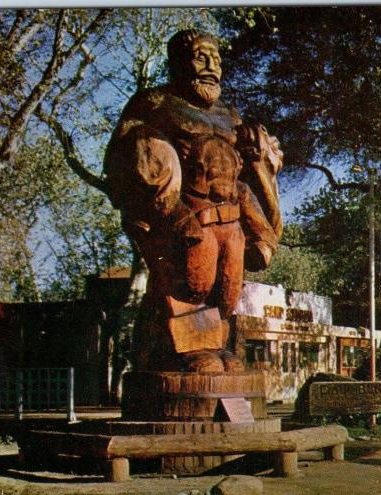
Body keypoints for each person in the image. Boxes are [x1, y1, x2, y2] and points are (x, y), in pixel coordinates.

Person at [104, 29, 282, 372]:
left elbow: (246, 172)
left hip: (232, 214)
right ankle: (189, 349)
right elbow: (126, 146)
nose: (210, 66)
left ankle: (217, 346)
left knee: (228, 290)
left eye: (216, 60)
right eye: (201, 57)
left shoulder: (230, 115)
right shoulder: (157, 102)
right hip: (187, 214)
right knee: (193, 283)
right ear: (178, 63)